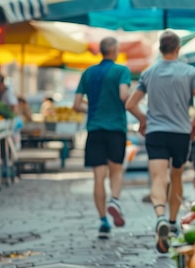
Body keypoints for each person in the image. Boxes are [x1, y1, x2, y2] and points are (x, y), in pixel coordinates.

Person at [126, 31, 195, 254]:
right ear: (178, 48)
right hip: (181, 133)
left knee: (158, 177)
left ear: (160, 49)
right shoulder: (190, 71)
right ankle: (173, 222)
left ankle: (160, 217)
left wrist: (144, 120)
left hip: (156, 133)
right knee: (176, 175)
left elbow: (130, 104)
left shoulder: (148, 73)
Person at [73, 37, 131, 240]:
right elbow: (124, 95)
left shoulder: (88, 73)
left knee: (99, 177)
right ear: (114, 50)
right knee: (116, 169)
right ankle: (114, 200)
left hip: (95, 129)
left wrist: (94, 109)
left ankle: (103, 221)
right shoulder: (121, 71)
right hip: (115, 128)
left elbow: (76, 104)